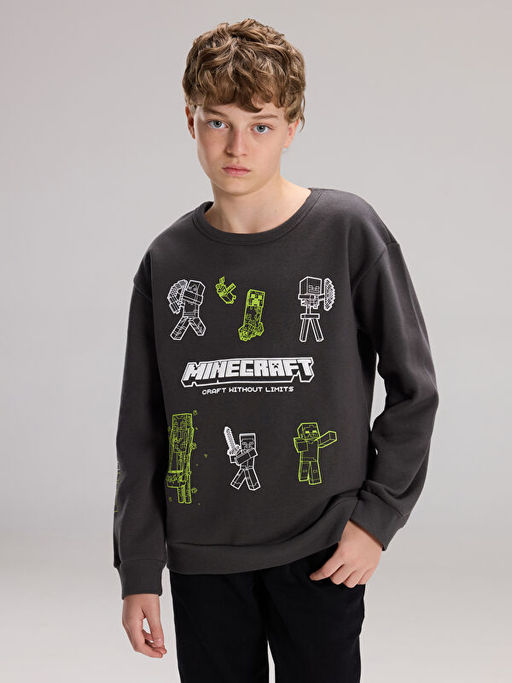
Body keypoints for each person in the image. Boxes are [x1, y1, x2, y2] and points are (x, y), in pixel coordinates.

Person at [113, 17, 440, 683]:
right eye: (218, 122)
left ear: (292, 127)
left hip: (322, 547)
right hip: (203, 554)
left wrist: (375, 521)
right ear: (190, 121)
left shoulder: (347, 232)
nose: (237, 146)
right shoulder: (167, 261)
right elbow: (142, 430)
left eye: (260, 125)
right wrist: (139, 568)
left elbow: (416, 389)